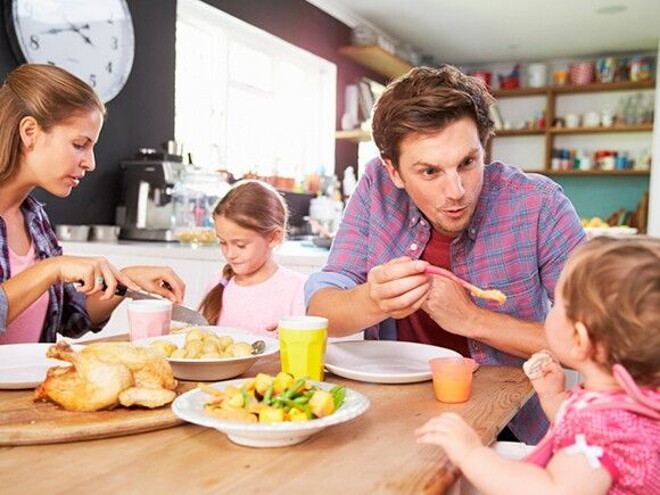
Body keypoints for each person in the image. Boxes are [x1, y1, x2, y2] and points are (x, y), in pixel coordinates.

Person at [305, 65, 587, 444]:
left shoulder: (539, 205)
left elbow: (601, 342)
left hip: (513, 428)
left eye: (468, 163)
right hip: (393, 417)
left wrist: (472, 319)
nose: (456, 191)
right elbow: (322, 309)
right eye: (429, 171)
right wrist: (371, 299)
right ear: (394, 171)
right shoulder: (375, 189)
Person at [415, 237, 660, 495]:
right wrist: (554, 397)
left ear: (580, 339)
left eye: (558, 305)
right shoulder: (629, 399)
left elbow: (552, 490)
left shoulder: (603, 431)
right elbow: (575, 431)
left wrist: (471, 453)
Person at [0, 64, 185, 345]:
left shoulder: (34, 220)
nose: (91, 162)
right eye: (79, 144)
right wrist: (52, 269)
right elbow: (50, 274)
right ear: (30, 132)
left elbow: (72, 319)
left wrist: (125, 282)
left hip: (33, 388)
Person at [198, 180, 306, 336]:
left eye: (240, 245)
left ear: (273, 237)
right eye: (222, 242)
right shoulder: (218, 282)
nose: (230, 254)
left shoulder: (297, 290)